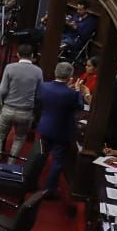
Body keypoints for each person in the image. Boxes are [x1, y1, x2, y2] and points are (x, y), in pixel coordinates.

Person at [37, 62, 85, 197]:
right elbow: (80, 107)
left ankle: (31, 181)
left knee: (41, 155)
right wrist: (77, 90)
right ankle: (49, 190)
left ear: (55, 72)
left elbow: (40, 101)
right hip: (62, 132)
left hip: (44, 127)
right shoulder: (72, 94)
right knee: (58, 161)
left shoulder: (43, 86)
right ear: (70, 76)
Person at [0, 44, 42, 161]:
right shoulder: (38, 71)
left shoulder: (10, 68)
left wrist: (2, 103)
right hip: (26, 112)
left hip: (8, 108)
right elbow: (39, 94)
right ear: (32, 56)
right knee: (19, 138)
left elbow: (2, 90)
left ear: (18, 55)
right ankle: (11, 164)